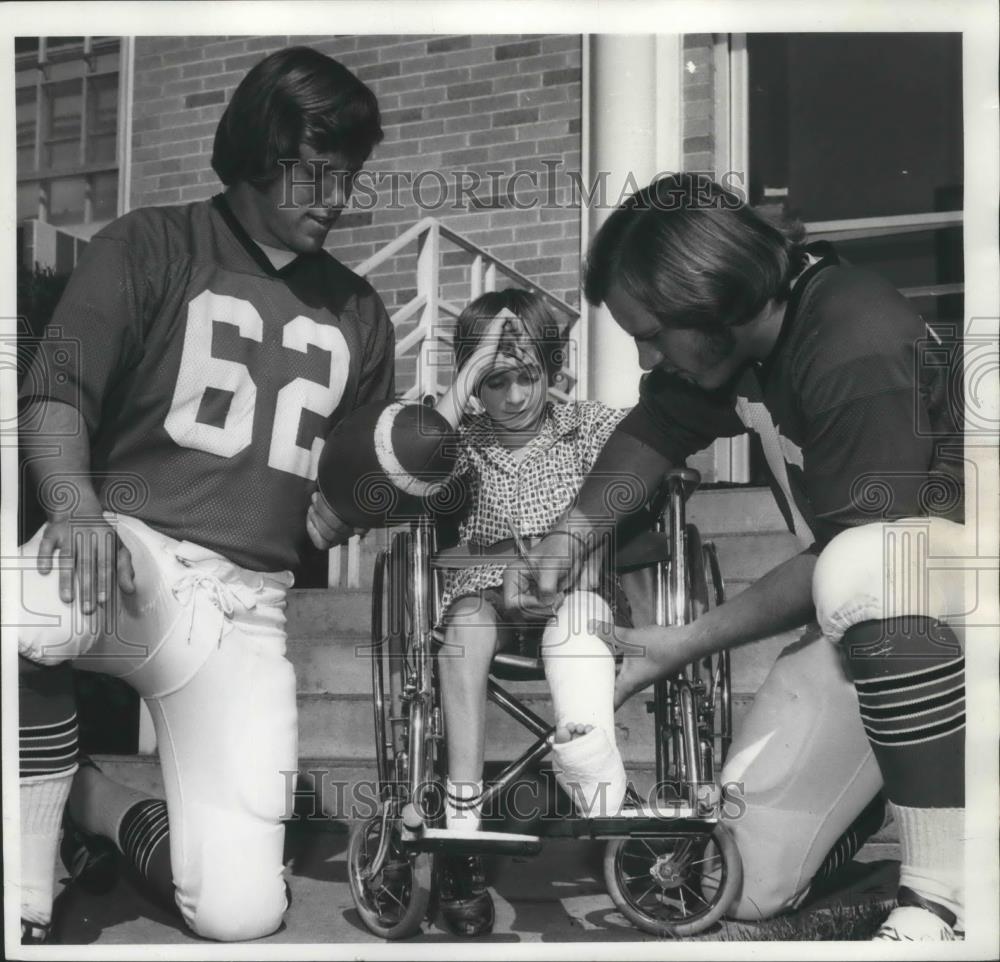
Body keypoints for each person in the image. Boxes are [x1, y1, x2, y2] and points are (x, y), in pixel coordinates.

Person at [510, 174, 967, 940]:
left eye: (652, 331)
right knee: (738, 881)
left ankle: (943, 899)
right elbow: (654, 430)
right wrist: (566, 539)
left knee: (864, 569)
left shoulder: (851, 336)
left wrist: (681, 642)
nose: (646, 353)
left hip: (962, 607)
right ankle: (905, 818)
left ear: (711, 294)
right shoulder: (746, 338)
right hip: (909, 617)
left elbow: (859, 562)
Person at [15, 46, 392, 943]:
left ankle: (96, 807)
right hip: (129, 556)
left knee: (239, 913)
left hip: (244, 608)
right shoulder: (150, 242)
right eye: (316, 172)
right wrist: (73, 507)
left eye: (350, 176)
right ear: (259, 152)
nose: (337, 197)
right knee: (21, 610)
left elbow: (347, 488)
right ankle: (25, 883)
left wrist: (392, 479)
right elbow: (55, 387)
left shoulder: (361, 310)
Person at [427, 289, 630, 936]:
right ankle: (461, 827)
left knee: (580, 619)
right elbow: (404, 458)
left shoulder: (590, 425)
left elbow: (655, 462)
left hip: (579, 588)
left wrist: (569, 558)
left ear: (553, 369)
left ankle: (589, 752)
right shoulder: (456, 439)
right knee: (464, 626)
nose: (513, 397)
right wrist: (462, 384)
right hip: (484, 592)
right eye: (494, 381)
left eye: (528, 376)